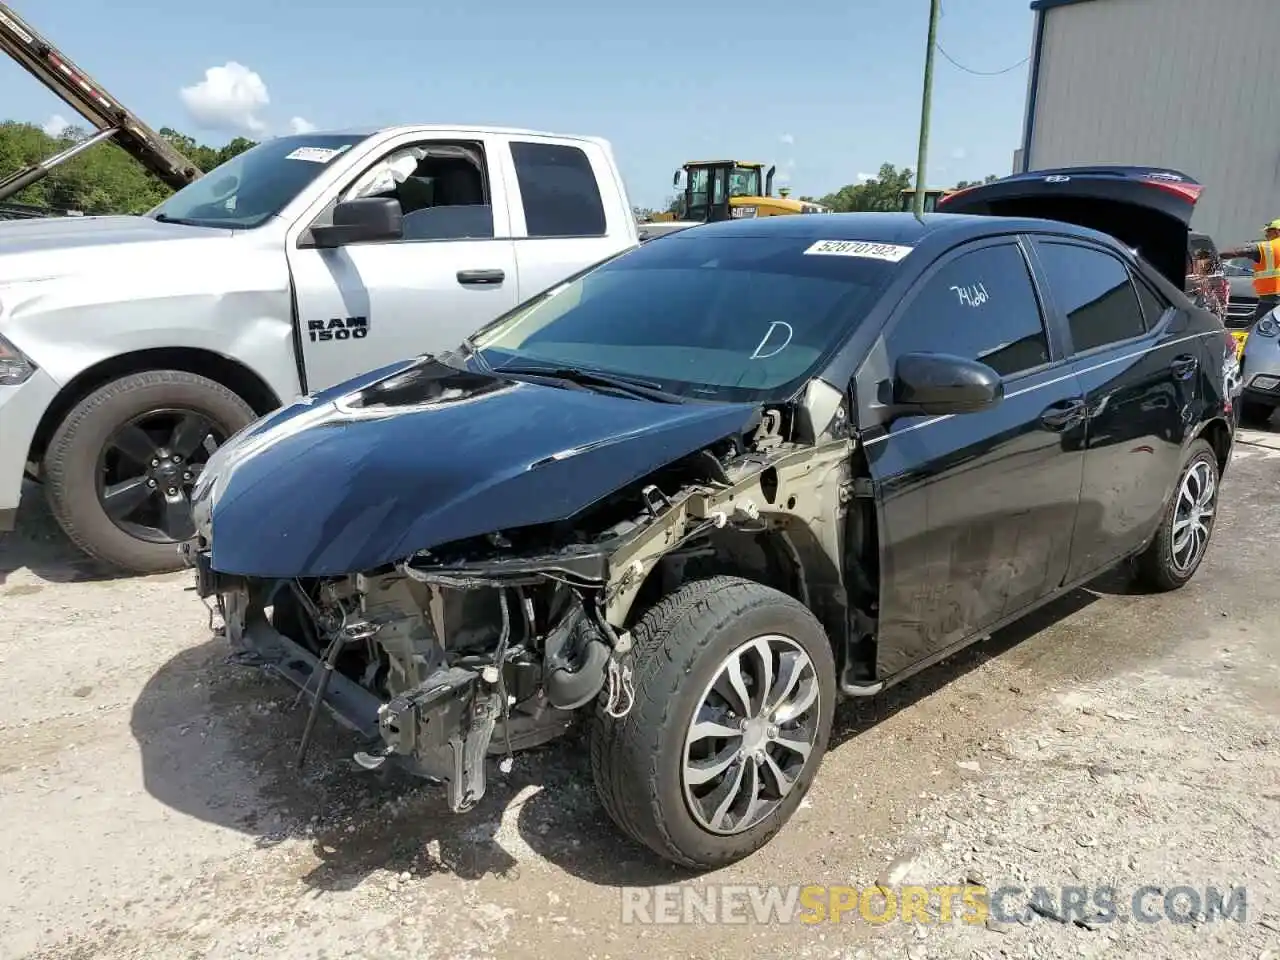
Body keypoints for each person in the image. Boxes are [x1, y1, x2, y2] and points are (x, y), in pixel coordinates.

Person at [1219, 220, 1280, 322]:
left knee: (1261, 331)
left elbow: (1236, 252)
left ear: (1277, 232)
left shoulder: (1268, 247)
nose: (1266, 235)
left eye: (1268, 232)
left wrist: (1214, 255)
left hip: (1272, 300)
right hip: (1271, 299)